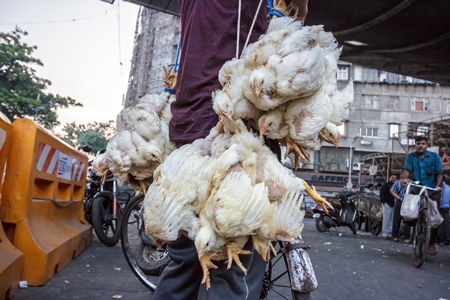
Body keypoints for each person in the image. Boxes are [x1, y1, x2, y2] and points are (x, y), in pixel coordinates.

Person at [154, 1, 310, 299]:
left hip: (189, 123)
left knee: (189, 259)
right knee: (230, 263)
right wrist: (300, 10)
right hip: (229, 127)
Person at [401, 136, 443, 255]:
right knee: (408, 209)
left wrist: (438, 186)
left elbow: (439, 173)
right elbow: (407, 170)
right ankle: (411, 224)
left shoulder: (434, 157)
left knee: (435, 216)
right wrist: (405, 179)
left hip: (431, 189)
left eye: (423, 143)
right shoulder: (411, 157)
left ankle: (431, 243)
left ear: (426, 145)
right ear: (415, 145)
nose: (420, 145)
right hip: (417, 188)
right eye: (418, 143)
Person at [390, 178, 411, 243]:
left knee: (400, 219)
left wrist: (398, 197)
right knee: (405, 219)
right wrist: (398, 197)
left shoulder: (397, 182)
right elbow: (392, 191)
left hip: (402, 201)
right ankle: (404, 237)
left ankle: (395, 236)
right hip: (405, 202)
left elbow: (392, 191)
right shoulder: (399, 182)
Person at [380, 175, 397, 240]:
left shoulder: (397, 186)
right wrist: (384, 201)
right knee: (386, 219)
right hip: (387, 203)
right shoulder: (386, 185)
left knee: (392, 219)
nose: (393, 179)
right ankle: (384, 233)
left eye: (395, 178)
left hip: (394, 203)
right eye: (392, 177)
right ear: (390, 178)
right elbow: (382, 193)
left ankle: (390, 233)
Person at [437, 179, 450, 245]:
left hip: (441, 206)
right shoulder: (449, 188)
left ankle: (441, 239)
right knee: (447, 223)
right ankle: (447, 239)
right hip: (447, 207)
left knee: (440, 223)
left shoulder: (439, 187)